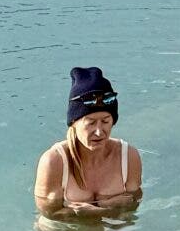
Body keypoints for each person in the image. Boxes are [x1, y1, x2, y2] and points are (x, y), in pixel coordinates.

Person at [34, 65, 141, 216]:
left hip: (113, 223)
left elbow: (135, 201)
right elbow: (50, 214)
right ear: (74, 123)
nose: (99, 131)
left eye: (105, 121)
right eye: (90, 123)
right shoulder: (54, 161)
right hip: (66, 229)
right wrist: (103, 209)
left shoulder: (129, 156)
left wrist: (99, 211)